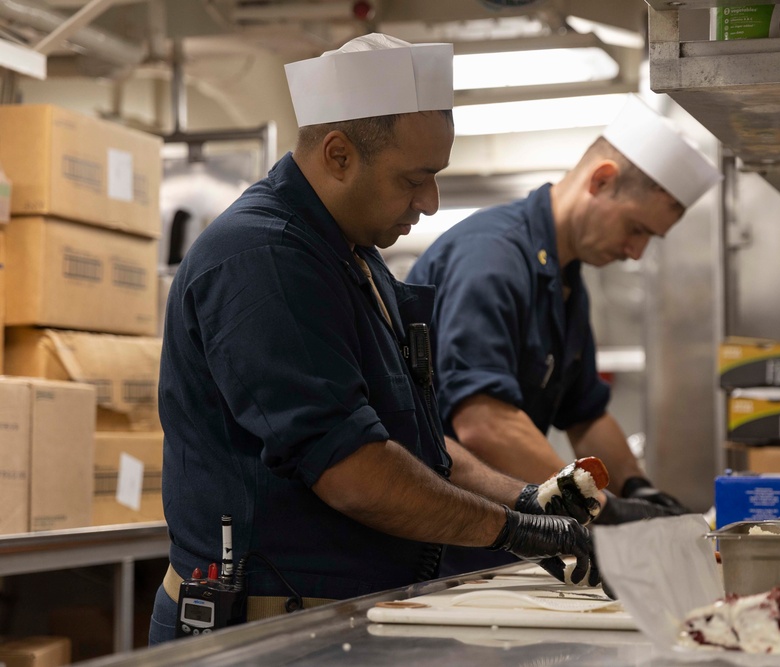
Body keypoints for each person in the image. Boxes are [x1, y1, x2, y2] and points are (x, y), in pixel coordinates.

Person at [149, 33, 601, 646]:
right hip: (264, 633)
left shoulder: (356, 259)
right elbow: (354, 470)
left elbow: (412, 445)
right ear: (337, 155)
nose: (432, 202)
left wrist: (530, 501)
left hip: (337, 622)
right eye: (415, 179)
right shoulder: (263, 261)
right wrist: (511, 530)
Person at [407, 94, 723, 576]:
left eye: (649, 239)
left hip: (496, 543)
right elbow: (483, 422)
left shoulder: (567, 280)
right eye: (636, 228)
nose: (636, 252)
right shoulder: (492, 259)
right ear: (601, 180)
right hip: (442, 545)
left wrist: (640, 491)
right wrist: (599, 509)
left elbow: (586, 414)